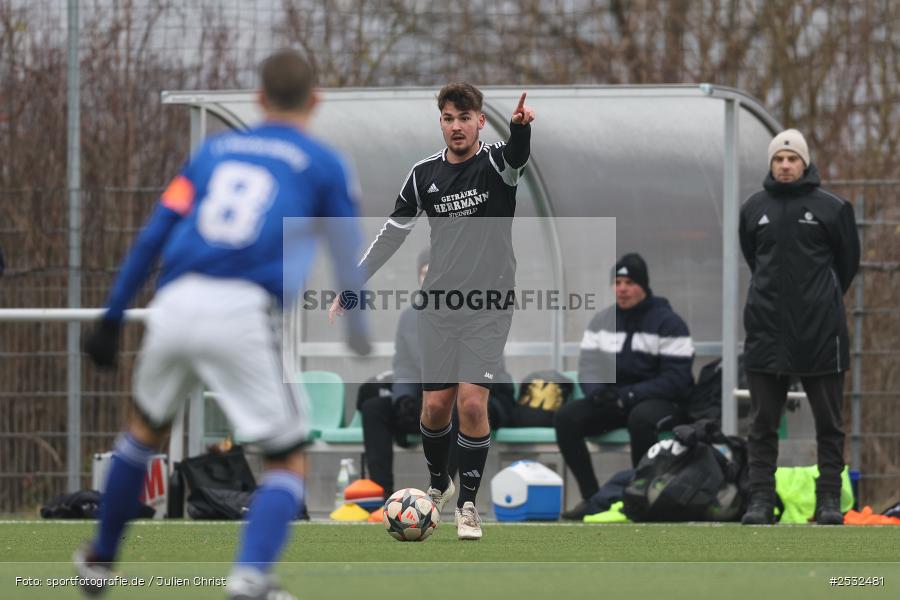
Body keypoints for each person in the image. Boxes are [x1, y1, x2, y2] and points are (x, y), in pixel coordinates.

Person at [75, 49, 369, 600]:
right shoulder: (324, 162)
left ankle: (99, 560)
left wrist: (112, 316)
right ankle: (250, 577)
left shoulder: (213, 153)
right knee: (286, 459)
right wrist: (357, 321)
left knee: (142, 434)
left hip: (176, 302)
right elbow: (346, 246)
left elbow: (156, 231)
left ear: (259, 98)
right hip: (242, 311)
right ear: (316, 100)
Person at [332, 83, 534, 540]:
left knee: (470, 402)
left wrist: (521, 131)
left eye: (465, 117)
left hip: (488, 303)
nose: (456, 126)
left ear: (480, 121)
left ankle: (466, 504)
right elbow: (391, 234)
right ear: (440, 122)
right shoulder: (423, 175)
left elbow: (518, 157)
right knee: (435, 407)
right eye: (448, 118)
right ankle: (437, 483)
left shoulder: (497, 162)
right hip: (439, 306)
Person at [739, 129, 860, 526]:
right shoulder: (754, 208)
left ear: (805, 162)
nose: (786, 165)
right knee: (761, 424)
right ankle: (760, 500)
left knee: (829, 423)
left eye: (793, 158)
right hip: (766, 331)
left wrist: (817, 301)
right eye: (779, 159)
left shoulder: (833, 208)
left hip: (821, 333)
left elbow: (847, 265)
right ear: (771, 164)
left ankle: (827, 501)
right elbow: (753, 258)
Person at [361, 249, 515, 500]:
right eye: (424, 273)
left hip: (475, 400)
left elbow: (489, 369)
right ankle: (382, 498)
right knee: (374, 408)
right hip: (429, 397)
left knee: (456, 406)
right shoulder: (411, 316)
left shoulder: (476, 310)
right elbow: (404, 365)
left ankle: (441, 492)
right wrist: (404, 396)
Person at [555, 253, 694, 520]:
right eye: (617, 282)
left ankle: (639, 498)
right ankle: (594, 499)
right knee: (566, 417)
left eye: (629, 282)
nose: (622, 288)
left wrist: (630, 395)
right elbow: (589, 368)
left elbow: (676, 380)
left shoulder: (669, 323)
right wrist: (598, 393)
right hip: (616, 401)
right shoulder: (602, 321)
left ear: (643, 285)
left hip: (660, 402)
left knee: (641, 418)